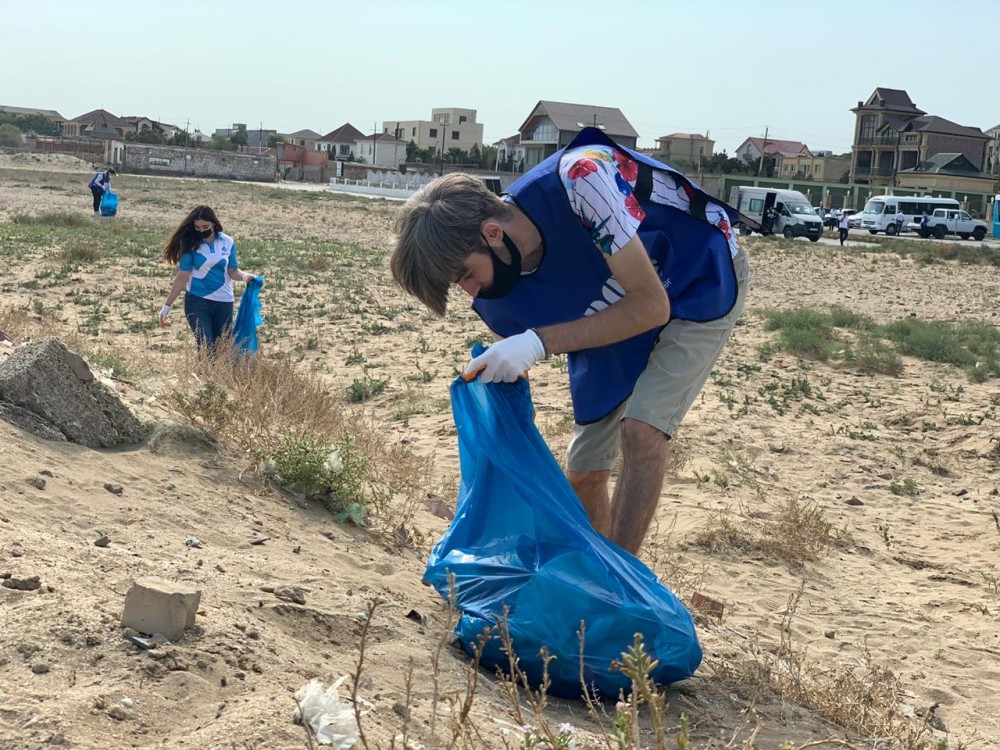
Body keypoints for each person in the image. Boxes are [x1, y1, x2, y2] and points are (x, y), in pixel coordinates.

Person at [390, 128, 749, 555]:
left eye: (466, 274)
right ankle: (599, 571)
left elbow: (652, 306)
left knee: (641, 431)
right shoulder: (498, 297)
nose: (471, 291)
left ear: (491, 233)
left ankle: (623, 591)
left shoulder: (582, 179)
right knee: (584, 469)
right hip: (609, 305)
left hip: (697, 277)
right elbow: (562, 337)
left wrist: (538, 342)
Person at [158, 206, 258, 352]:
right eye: (197, 227)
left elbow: (232, 271)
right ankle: (202, 374)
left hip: (224, 302)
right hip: (198, 301)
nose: (201, 230)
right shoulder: (190, 244)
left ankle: (215, 375)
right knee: (205, 345)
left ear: (214, 224)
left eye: (205, 226)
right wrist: (167, 306)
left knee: (222, 348)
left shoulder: (227, 242)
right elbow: (182, 277)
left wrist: (246, 277)